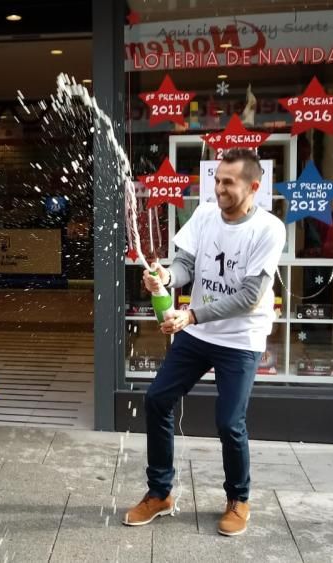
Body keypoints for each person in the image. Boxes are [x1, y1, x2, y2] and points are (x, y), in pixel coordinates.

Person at [123, 148, 286, 536]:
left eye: (229, 182)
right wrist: (166, 277)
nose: (219, 189)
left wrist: (191, 314)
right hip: (197, 334)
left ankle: (238, 498)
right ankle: (160, 493)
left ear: (254, 187)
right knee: (157, 399)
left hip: (240, 339)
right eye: (216, 180)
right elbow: (187, 265)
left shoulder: (269, 229)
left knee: (230, 422)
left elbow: (250, 295)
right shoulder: (203, 215)